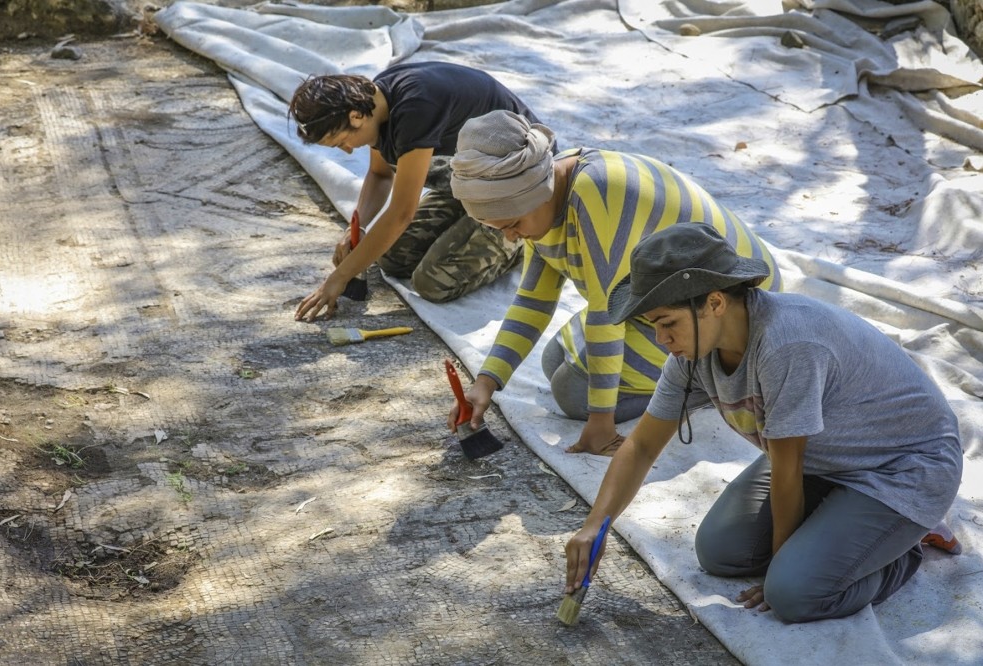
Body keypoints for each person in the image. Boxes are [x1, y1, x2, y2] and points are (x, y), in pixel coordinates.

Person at [563, 223, 964, 622]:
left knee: (794, 594)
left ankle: (905, 547)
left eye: (668, 323)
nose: (661, 339)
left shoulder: (787, 345)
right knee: (720, 551)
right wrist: (594, 526)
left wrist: (780, 570)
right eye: (654, 325)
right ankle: (845, 531)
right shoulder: (694, 351)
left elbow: (786, 471)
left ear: (715, 303)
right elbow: (644, 446)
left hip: (905, 467)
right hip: (824, 458)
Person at [447, 110, 782, 456]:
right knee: (554, 360)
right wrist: (486, 383)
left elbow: (605, 314)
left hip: (727, 311)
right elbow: (533, 301)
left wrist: (601, 424)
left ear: (537, 193)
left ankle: (705, 383)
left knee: (571, 393)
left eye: (513, 224)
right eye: (499, 228)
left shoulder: (597, 192)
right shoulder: (542, 187)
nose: (512, 238)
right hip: (654, 303)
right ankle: (685, 377)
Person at [289, 61, 553, 321]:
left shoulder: (415, 109)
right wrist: (356, 227)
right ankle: (473, 221)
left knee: (434, 282)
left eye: (341, 141)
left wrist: (339, 277)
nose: (347, 150)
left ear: (355, 117)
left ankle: (518, 240)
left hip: (516, 190)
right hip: (470, 184)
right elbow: (380, 175)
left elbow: (402, 213)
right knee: (391, 257)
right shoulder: (375, 103)